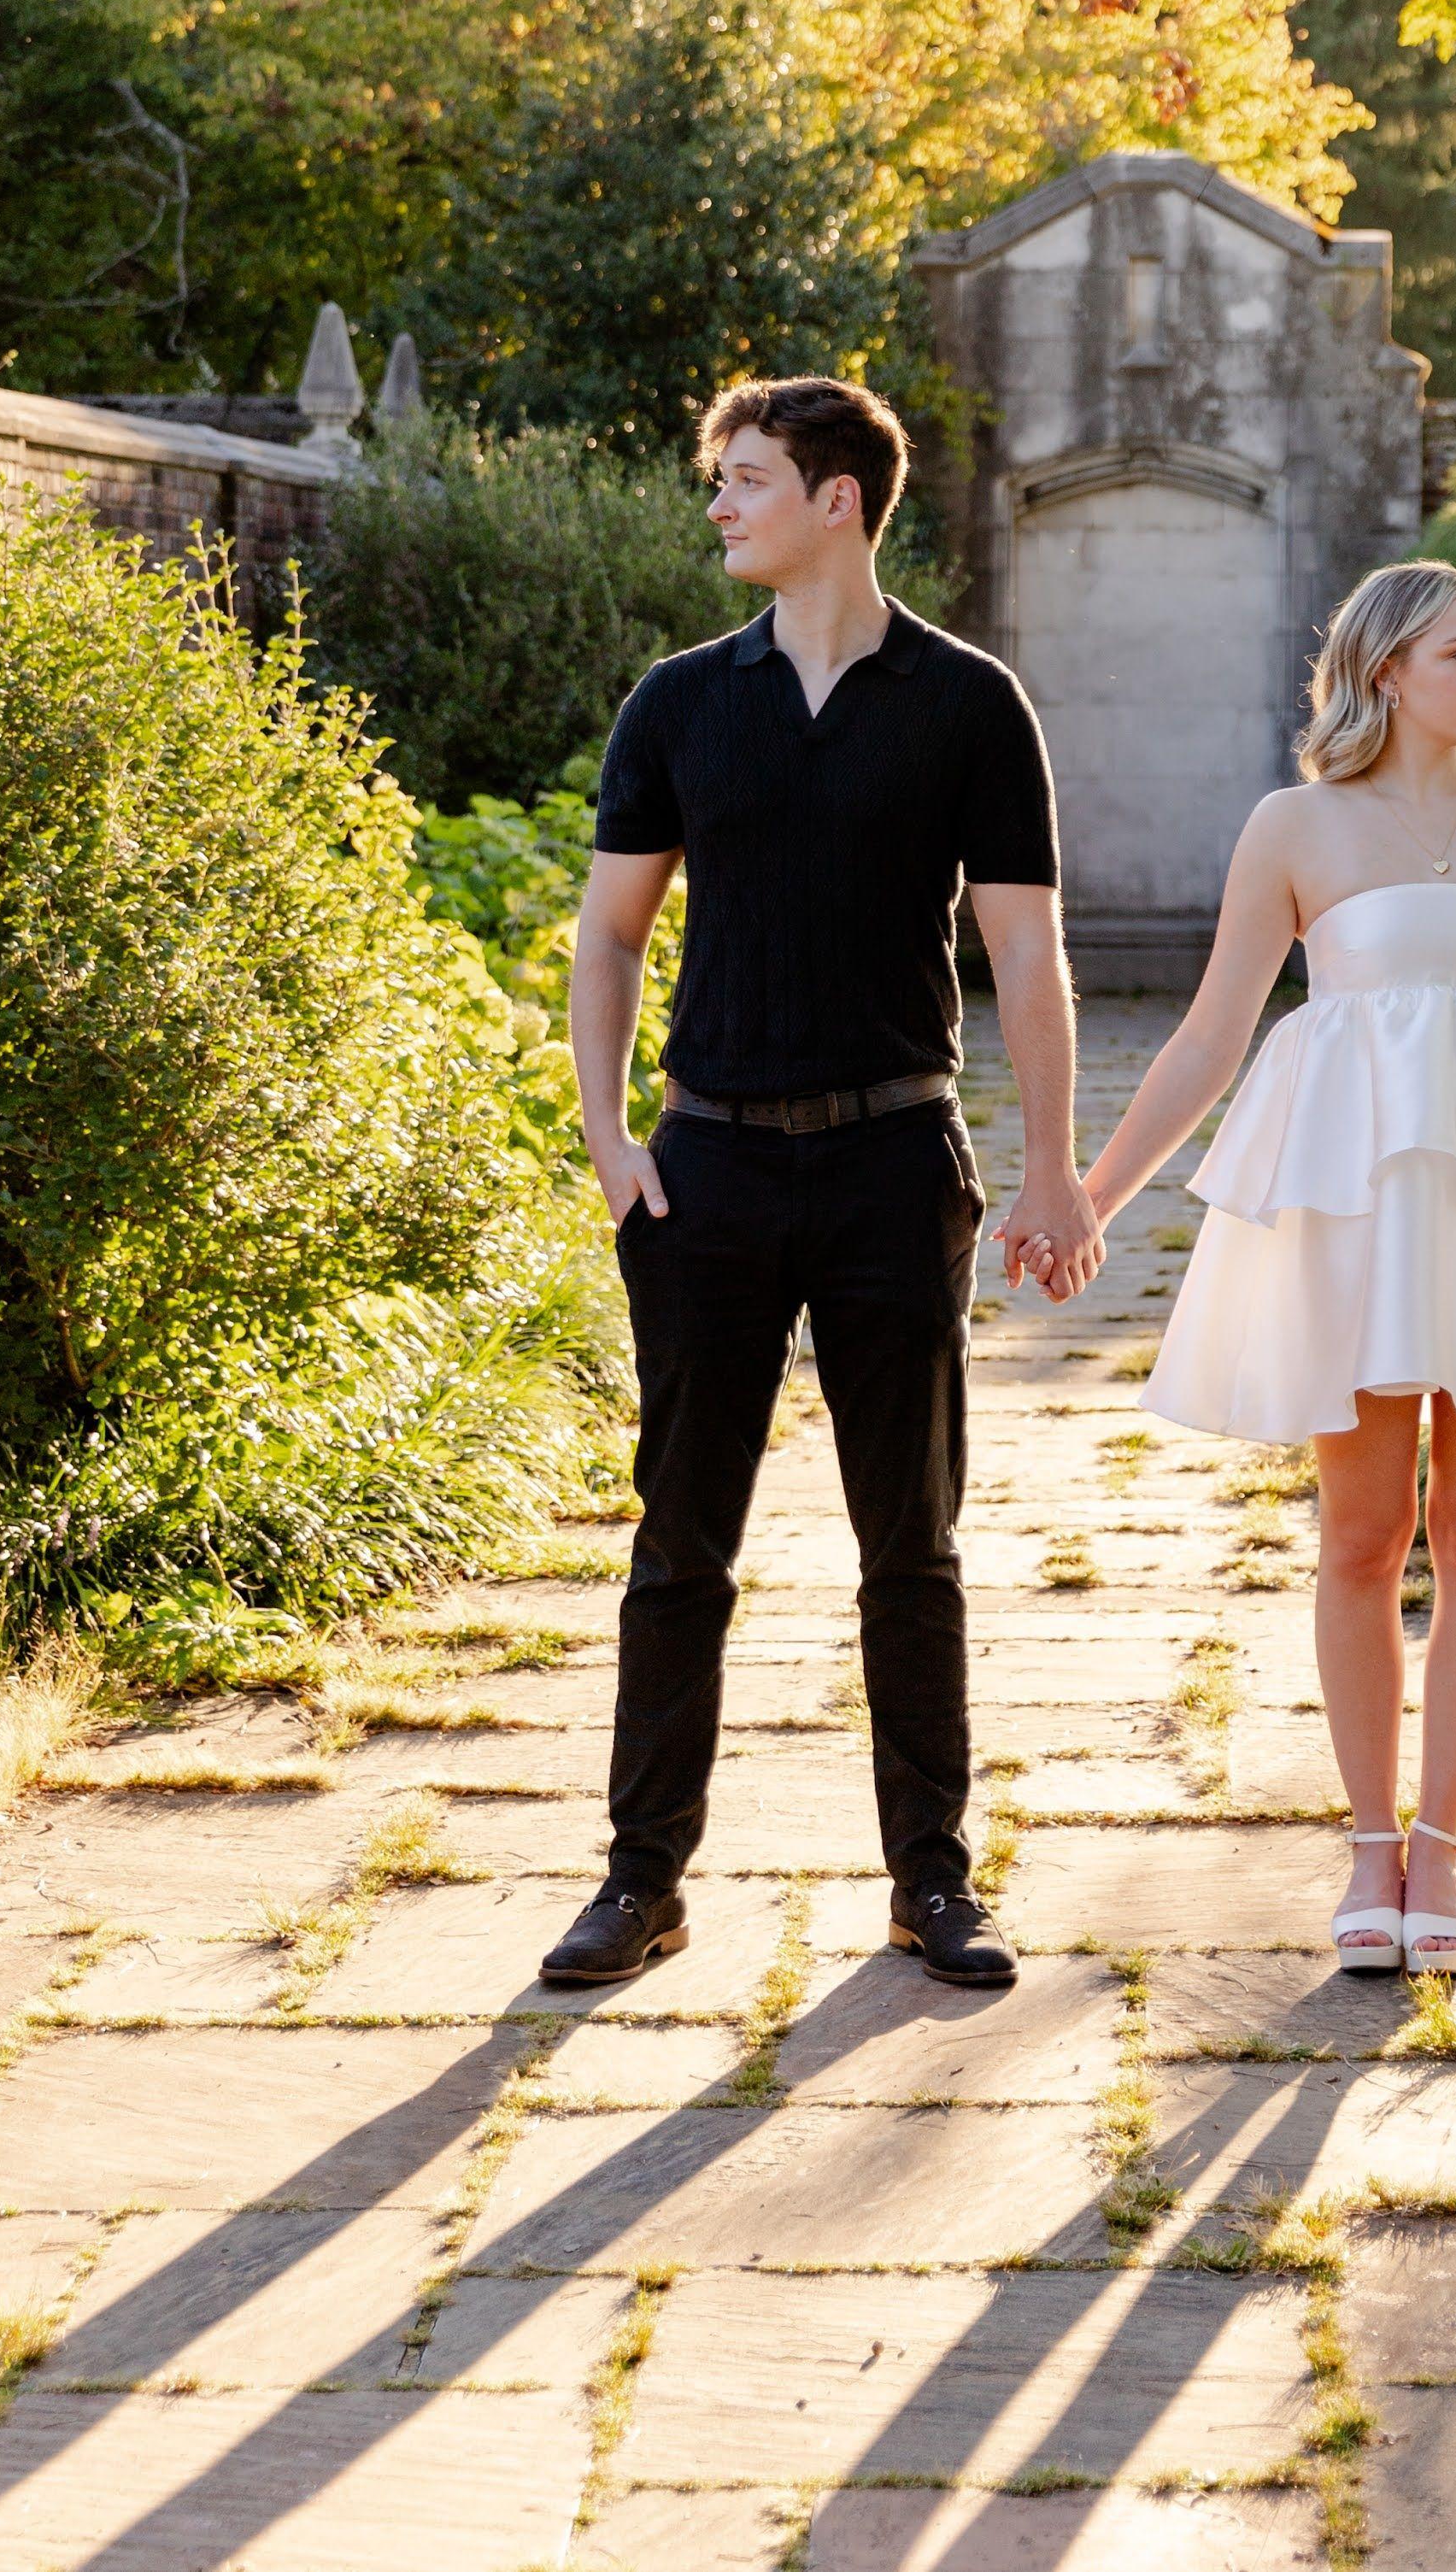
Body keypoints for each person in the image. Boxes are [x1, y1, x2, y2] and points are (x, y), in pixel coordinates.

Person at [1024, 561, 1456, 1976]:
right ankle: (1369, 1843)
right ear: (1386, 671)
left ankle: (1441, 1846)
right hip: (1357, 1215)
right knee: (1362, 1536)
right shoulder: (1293, 826)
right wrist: (1088, 1196)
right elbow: (1210, 1037)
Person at [537, 375, 1081, 1994]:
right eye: (720, 477)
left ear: (836, 498)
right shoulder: (678, 702)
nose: (718, 503)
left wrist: (1053, 1167)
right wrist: (610, 1137)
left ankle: (932, 1881)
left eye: (745, 477)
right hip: (703, 1170)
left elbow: (1026, 953)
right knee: (678, 1545)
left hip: (893, 1162)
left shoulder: (970, 703)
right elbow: (609, 933)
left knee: (910, 1543)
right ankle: (641, 1882)